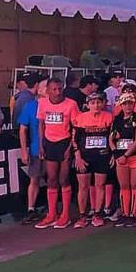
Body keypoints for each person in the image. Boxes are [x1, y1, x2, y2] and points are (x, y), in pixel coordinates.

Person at [35, 78, 80, 229]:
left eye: (60, 89)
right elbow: (41, 124)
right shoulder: (42, 103)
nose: (57, 92)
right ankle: (52, 214)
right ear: (47, 90)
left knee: (64, 179)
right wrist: (41, 145)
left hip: (65, 142)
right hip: (49, 143)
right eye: (54, 89)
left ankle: (65, 214)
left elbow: (76, 127)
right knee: (51, 179)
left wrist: (71, 147)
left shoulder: (71, 104)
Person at [71, 93, 113, 229]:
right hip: (84, 157)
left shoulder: (108, 117)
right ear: (87, 105)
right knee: (83, 187)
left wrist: (113, 154)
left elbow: (112, 138)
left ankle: (97, 214)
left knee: (100, 185)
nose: (96, 105)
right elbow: (74, 139)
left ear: (103, 103)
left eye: (99, 102)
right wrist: (77, 157)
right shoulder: (80, 118)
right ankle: (82, 216)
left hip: (102, 156)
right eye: (93, 103)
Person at [17, 78, 48, 224]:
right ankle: (31, 209)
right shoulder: (30, 106)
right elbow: (23, 130)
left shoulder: (59, 105)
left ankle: (52, 209)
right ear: (39, 90)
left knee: (55, 180)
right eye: (46, 87)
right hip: (36, 150)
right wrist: (24, 150)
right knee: (34, 179)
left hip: (55, 150)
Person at [111, 91, 136, 227]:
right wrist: (116, 153)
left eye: (130, 103)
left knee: (135, 184)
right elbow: (111, 137)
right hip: (120, 157)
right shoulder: (117, 119)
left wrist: (126, 155)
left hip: (134, 156)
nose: (128, 106)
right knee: (124, 186)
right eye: (125, 104)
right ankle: (125, 213)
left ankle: (133, 213)